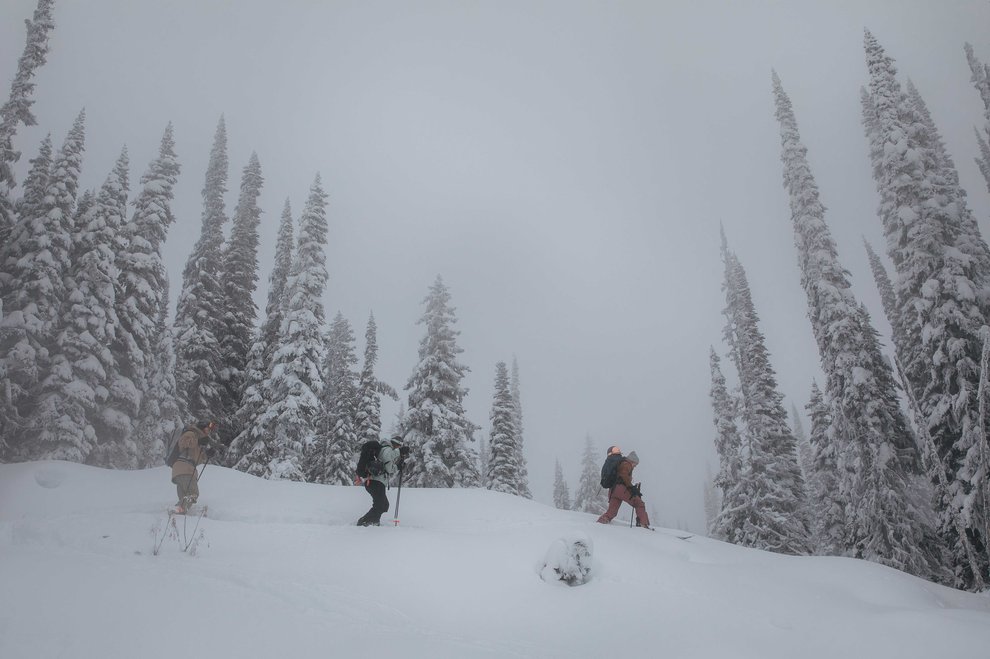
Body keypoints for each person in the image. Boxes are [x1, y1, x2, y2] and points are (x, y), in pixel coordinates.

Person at [356, 435, 410, 526]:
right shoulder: (387, 449)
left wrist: (397, 465)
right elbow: (388, 468)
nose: (398, 448)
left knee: (383, 504)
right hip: (375, 482)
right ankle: (364, 522)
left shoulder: (384, 449)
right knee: (381, 504)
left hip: (375, 482)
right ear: (396, 444)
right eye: (399, 446)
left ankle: (374, 521)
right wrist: (398, 464)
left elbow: (386, 463)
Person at [170, 420, 219, 514]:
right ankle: (177, 510)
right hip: (185, 468)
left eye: (209, 431)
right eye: (207, 429)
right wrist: (198, 441)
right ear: (201, 428)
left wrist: (206, 455)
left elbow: (196, 459)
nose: (208, 432)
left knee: (184, 497)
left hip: (181, 470)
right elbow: (183, 442)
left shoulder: (198, 440)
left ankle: (177, 515)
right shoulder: (191, 433)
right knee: (193, 494)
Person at [597, 446, 651, 529]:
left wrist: (631, 486)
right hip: (621, 489)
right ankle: (644, 525)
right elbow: (624, 476)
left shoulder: (621, 463)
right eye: (635, 464)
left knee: (612, 512)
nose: (635, 466)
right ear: (633, 461)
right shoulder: (627, 463)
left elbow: (621, 476)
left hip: (613, 490)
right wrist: (631, 488)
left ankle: (598, 525)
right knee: (639, 504)